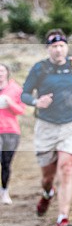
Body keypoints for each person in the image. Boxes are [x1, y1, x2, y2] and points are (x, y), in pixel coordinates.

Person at [21, 29, 72, 226]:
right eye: (54, 46)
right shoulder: (39, 69)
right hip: (46, 126)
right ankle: (47, 193)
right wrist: (37, 101)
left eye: (61, 46)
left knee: (66, 167)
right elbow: (24, 94)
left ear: (66, 47)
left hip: (71, 125)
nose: (58, 50)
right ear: (48, 49)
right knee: (47, 177)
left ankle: (62, 218)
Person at [0, 63, 26, 205]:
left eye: (2, 70)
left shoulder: (15, 89)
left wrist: (9, 103)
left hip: (11, 131)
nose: (0, 74)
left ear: (7, 72)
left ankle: (4, 191)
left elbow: (21, 110)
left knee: (6, 163)